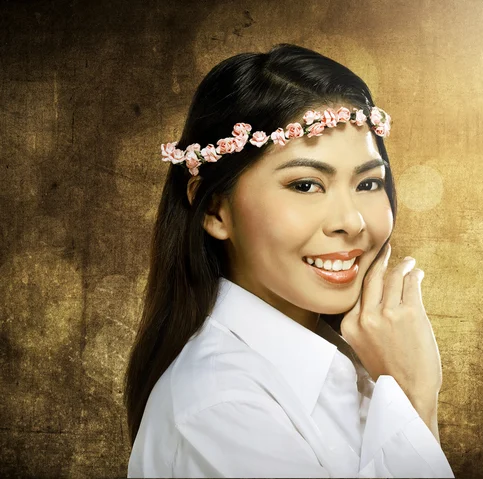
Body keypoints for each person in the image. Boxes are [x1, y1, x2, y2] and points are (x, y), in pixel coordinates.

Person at [124, 43, 455, 478]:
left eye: (369, 183)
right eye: (305, 185)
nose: (351, 222)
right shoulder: (223, 409)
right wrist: (414, 396)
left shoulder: (352, 356)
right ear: (214, 210)